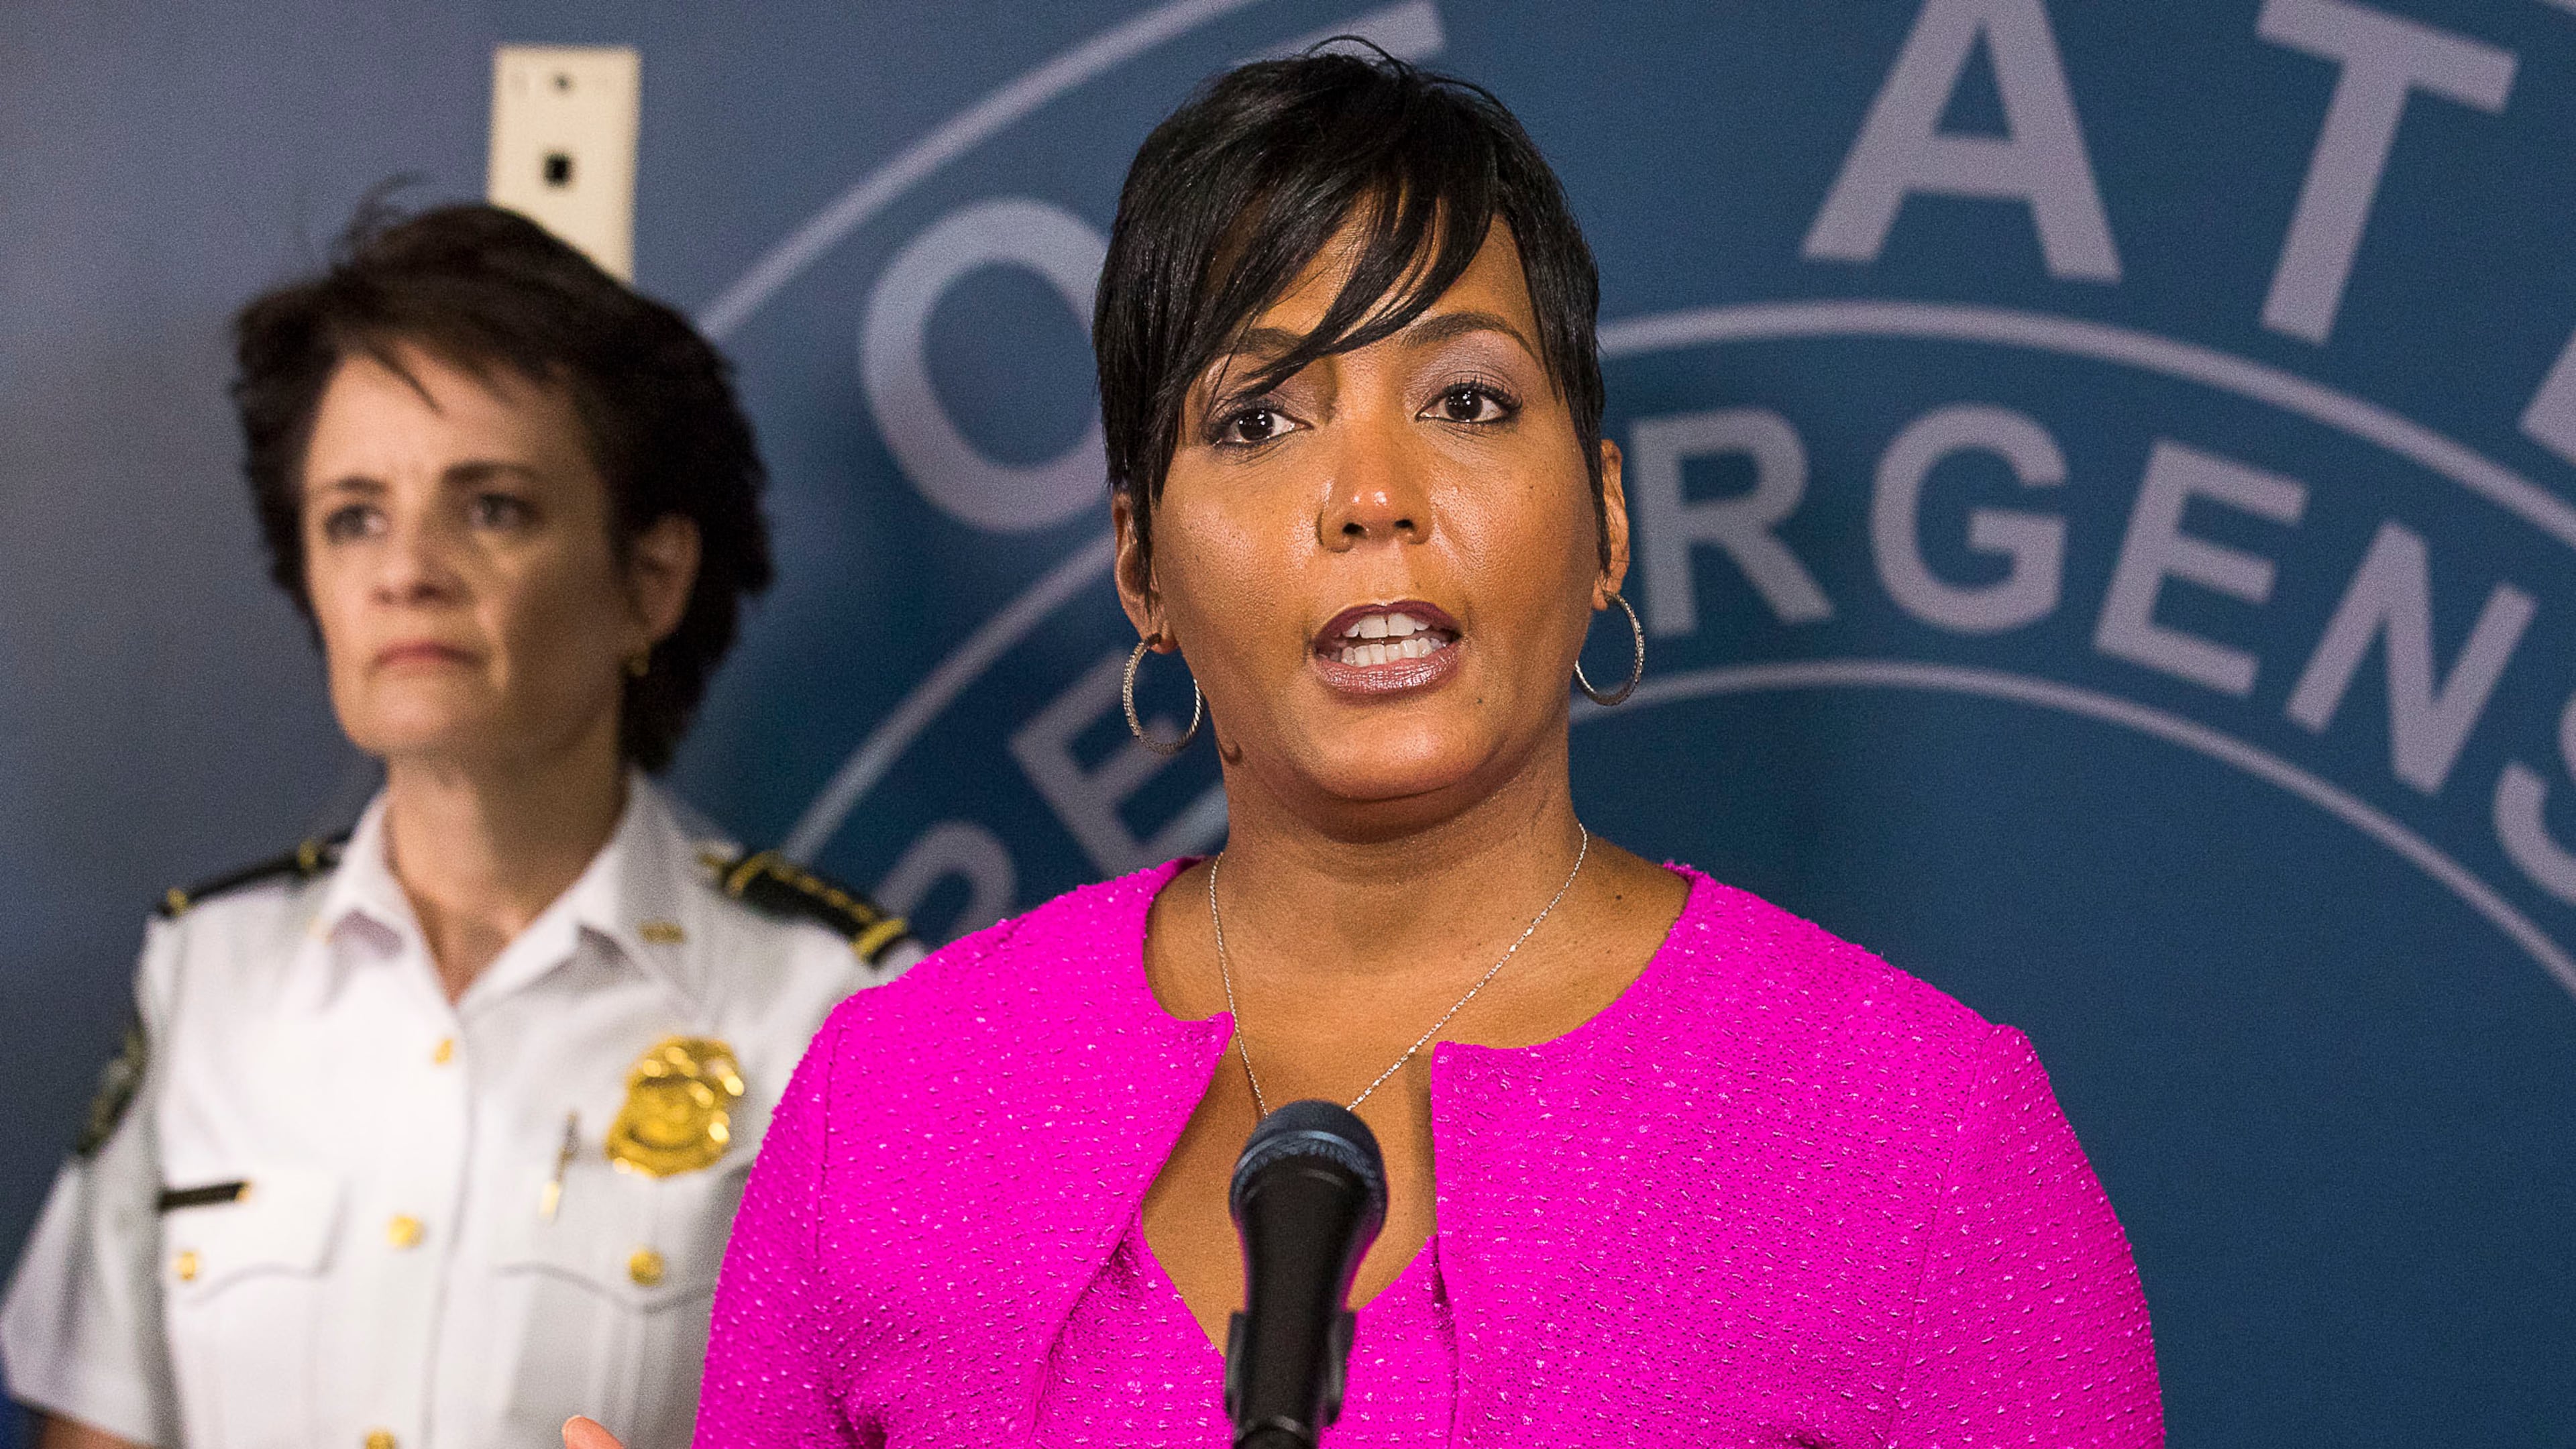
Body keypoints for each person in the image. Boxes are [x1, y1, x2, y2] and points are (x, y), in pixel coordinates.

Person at [658, 50, 2161, 1448]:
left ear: (1608, 521)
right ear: (1142, 571)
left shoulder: (1927, 1141)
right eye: (1259, 422)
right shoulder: (898, 1099)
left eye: (1467, 401)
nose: (1372, 495)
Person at [1, 203, 922, 1449]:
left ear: (649, 580)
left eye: (490, 507)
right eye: (354, 516)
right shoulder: (206, 973)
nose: (406, 570)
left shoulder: (839, 1009)